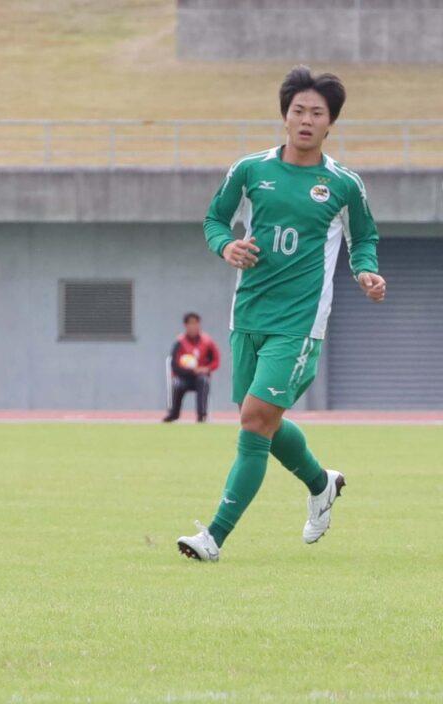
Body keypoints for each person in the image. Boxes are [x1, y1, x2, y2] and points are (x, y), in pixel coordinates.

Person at [177, 66, 385, 562]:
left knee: (254, 424)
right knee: (261, 421)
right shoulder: (250, 171)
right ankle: (321, 483)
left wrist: (366, 271)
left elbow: (364, 239)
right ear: (285, 116)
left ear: (331, 122)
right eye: (298, 110)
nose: (306, 120)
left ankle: (213, 538)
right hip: (248, 316)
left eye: (317, 113)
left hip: (299, 325)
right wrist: (226, 246)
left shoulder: (343, 184)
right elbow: (214, 220)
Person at [162, 312, 220, 423]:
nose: (193, 326)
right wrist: (190, 371)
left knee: (203, 381)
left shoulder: (207, 342)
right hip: (183, 376)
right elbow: (174, 364)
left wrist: (206, 369)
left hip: (200, 376)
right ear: (186, 325)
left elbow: (216, 361)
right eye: (190, 323)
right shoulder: (180, 342)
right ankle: (173, 414)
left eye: (196, 323)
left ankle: (201, 415)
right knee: (177, 384)